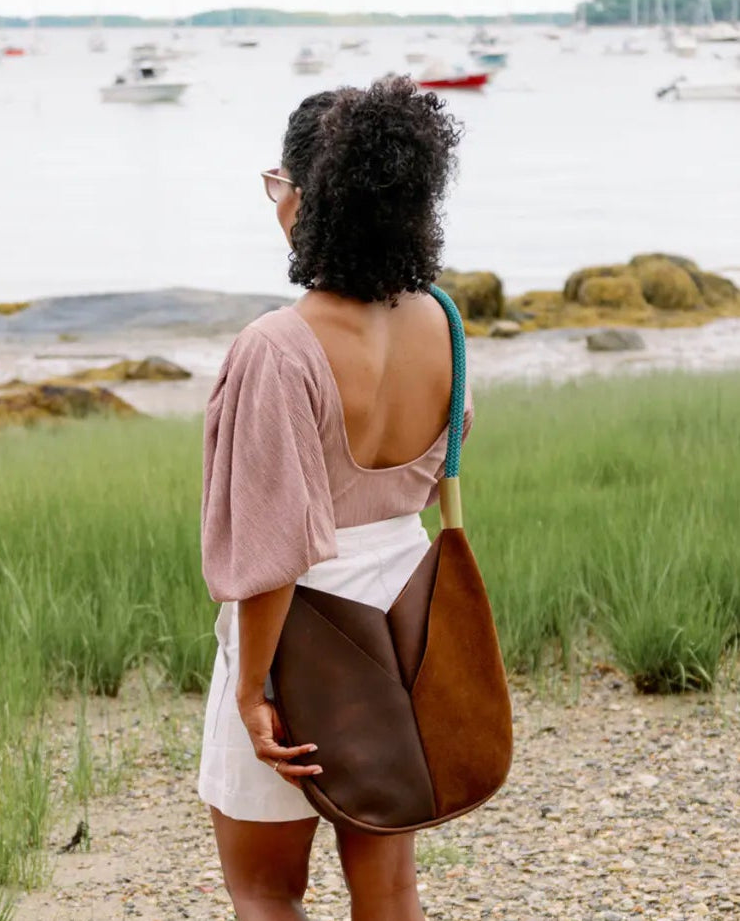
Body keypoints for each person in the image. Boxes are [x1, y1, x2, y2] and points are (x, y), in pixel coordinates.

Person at [198, 77, 471, 921]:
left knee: (264, 886)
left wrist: (252, 688)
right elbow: (434, 466)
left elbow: (279, 543)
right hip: (401, 617)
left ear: (307, 198)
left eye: (277, 183)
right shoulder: (442, 319)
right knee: (387, 884)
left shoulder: (278, 346)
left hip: (298, 631)